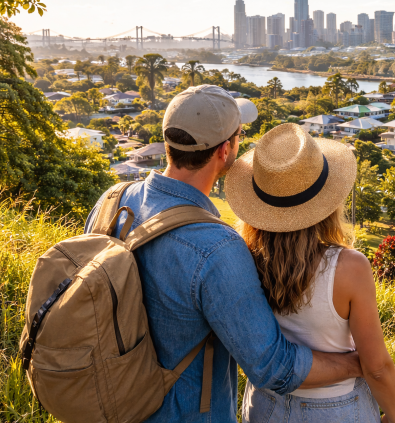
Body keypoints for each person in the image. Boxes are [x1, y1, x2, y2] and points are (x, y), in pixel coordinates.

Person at [84, 87, 363, 423]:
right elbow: (272, 367)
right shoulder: (216, 248)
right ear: (226, 149)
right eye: (239, 134)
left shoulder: (113, 201)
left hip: (107, 402)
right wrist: (358, 363)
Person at [227, 124, 395, 423]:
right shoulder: (349, 268)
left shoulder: (241, 255)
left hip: (265, 404)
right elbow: (376, 366)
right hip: (337, 408)